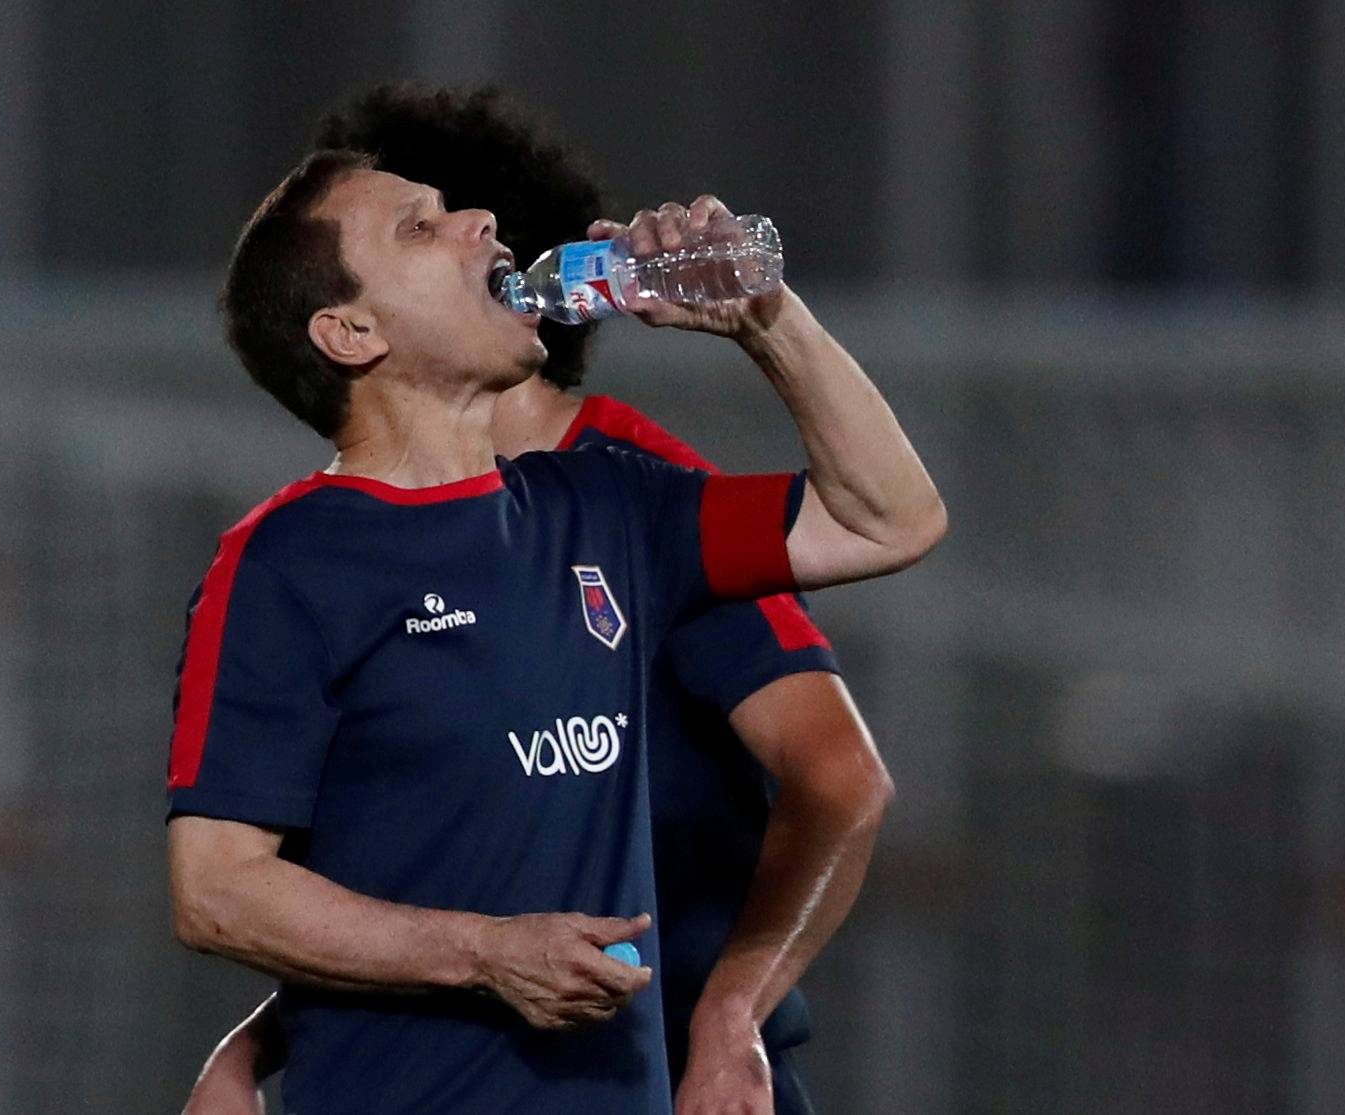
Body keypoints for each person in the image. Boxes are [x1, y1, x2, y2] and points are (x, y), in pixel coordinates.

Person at [166, 133, 944, 1113]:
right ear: (353, 334)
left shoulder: (608, 500)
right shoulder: (286, 563)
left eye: (459, 206)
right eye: (420, 225)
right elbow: (218, 889)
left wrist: (768, 321)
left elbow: (892, 518)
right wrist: (485, 953)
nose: (479, 222)